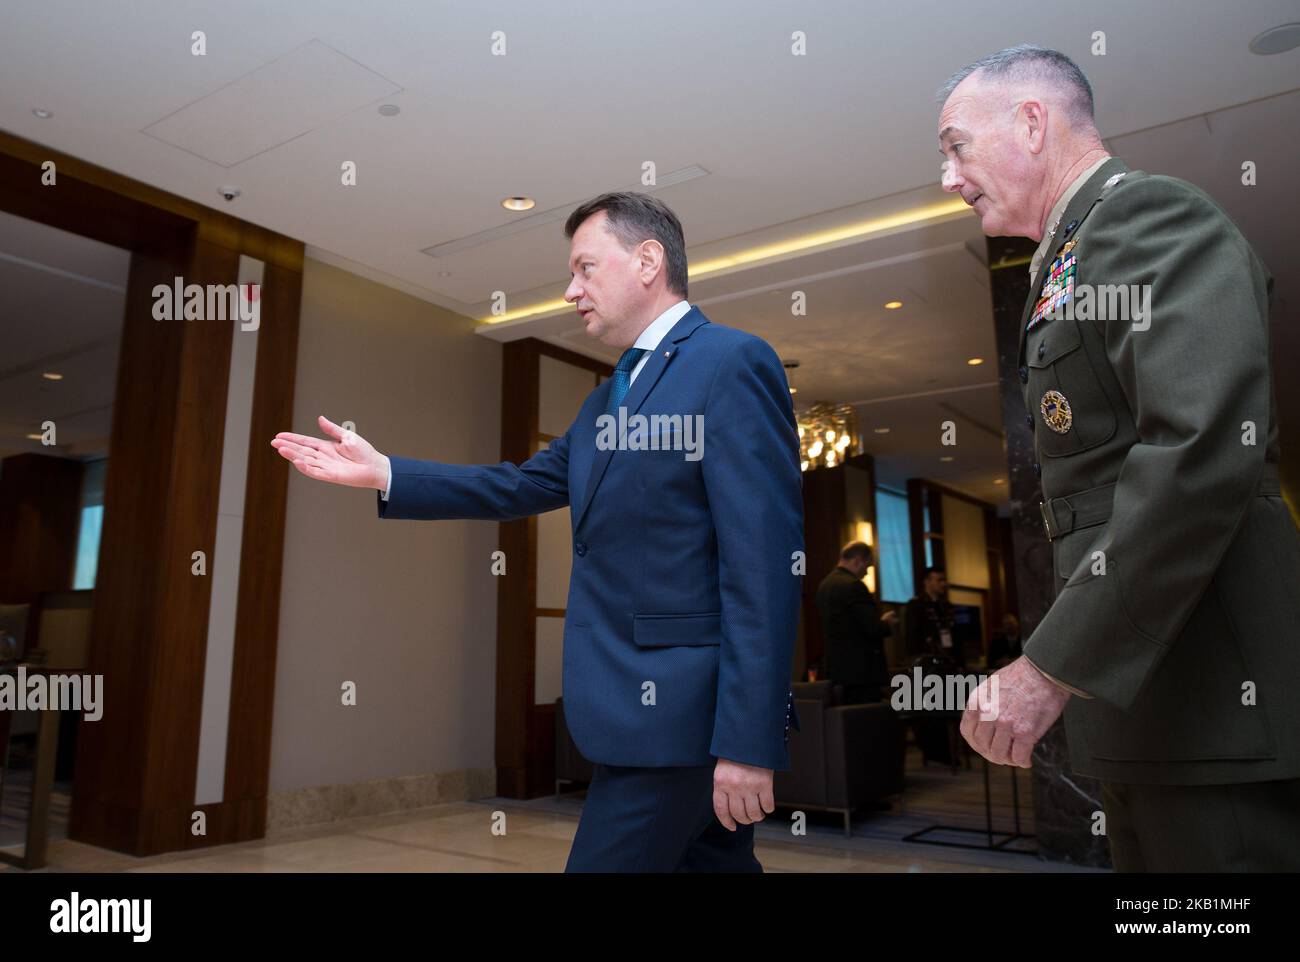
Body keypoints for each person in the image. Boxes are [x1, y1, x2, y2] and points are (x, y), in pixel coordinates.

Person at [271, 191, 804, 873]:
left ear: (648, 261)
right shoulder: (608, 398)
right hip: (649, 721)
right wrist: (384, 474)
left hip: (682, 720)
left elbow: (763, 563)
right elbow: (518, 485)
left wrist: (749, 741)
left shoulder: (730, 362)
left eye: (585, 268)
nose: (569, 290)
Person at [938, 45, 1300, 870]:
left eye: (956, 145)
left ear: (1032, 122)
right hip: (1149, 705)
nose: (949, 177)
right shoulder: (1068, 256)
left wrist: (1053, 668)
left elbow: (1199, 452)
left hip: (1211, 700)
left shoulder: (1148, 217)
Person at [815, 542, 897, 703]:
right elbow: (873, 628)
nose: (866, 573)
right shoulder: (854, 586)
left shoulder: (824, 586)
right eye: (867, 566)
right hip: (862, 673)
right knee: (868, 723)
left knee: (848, 724)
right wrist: (887, 623)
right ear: (857, 560)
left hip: (837, 671)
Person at [903, 567, 959, 667]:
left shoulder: (947, 606)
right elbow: (912, 637)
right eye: (939, 580)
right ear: (927, 582)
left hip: (948, 659)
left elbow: (956, 635)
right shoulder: (916, 605)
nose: (943, 584)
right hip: (926, 661)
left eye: (944, 580)